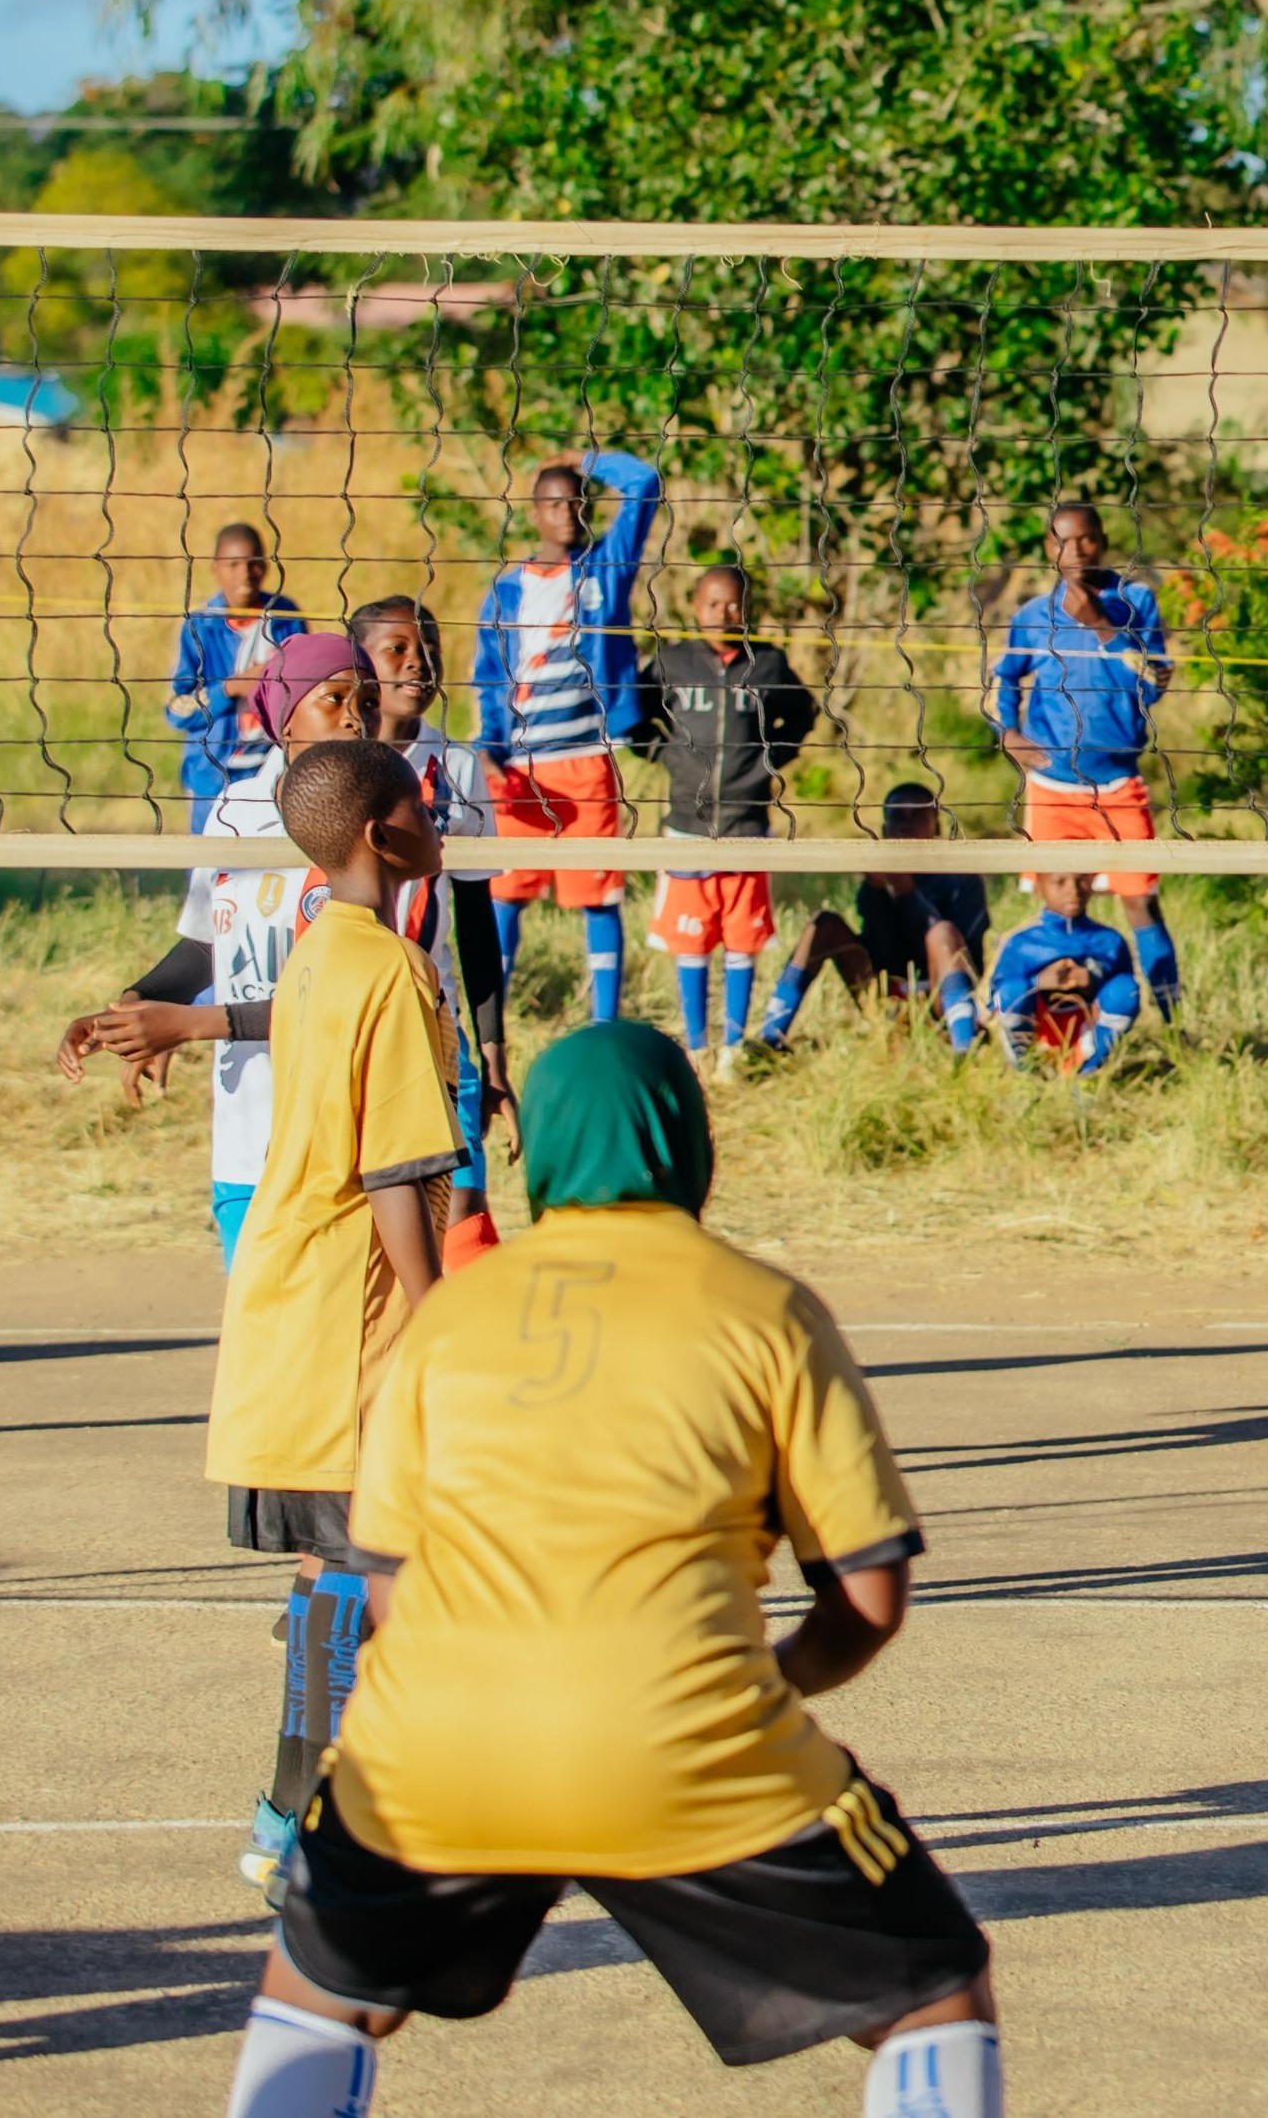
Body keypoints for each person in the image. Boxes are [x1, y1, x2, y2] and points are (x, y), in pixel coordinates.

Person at [223, 1023, 1000, 2118]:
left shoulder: (449, 1318)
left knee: (318, 1995)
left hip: (436, 1749)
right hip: (685, 1744)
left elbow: (388, 1585)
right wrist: (773, 1680)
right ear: (692, 1141)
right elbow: (869, 1598)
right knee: (933, 1995)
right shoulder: (767, 1310)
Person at [202, 738, 466, 1909]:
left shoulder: (320, 949)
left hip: (289, 1301)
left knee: (332, 1575)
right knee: (386, 1571)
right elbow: (395, 1170)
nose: (438, 816)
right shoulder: (392, 970)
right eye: (423, 804)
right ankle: (341, 1837)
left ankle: (285, 1823)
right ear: (382, 833)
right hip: (352, 1316)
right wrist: (440, 1318)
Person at [52, 637, 486, 1270]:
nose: (356, 717)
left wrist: (188, 1024)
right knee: (256, 1320)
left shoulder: (372, 833)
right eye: (334, 699)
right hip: (247, 1131)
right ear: (283, 720)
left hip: (341, 1140)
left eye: (367, 701)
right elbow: (208, 942)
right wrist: (134, 1007)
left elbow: (333, 1006)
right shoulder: (234, 811)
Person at [474, 446, 663, 1024]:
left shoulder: (605, 570)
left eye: (578, 501)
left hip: (586, 759)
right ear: (535, 512)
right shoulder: (506, 593)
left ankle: (605, 1022)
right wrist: (488, 748)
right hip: (522, 769)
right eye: (555, 504)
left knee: (598, 897)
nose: (569, 513)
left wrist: (586, 458)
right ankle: (492, 1019)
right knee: (506, 896)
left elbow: (644, 481)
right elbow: (489, 678)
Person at [353, 596, 513, 1257]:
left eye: (428, 649)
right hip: (356, 1023)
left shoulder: (459, 767)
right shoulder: (332, 766)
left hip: (435, 1022)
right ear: (359, 663)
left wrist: (495, 1054)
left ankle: (462, 1318)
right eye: (397, 649)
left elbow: (475, 920)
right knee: (372, 1221)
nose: (418, 662)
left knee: (462, 1210)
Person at [630, 563, 820, 1076]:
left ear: (747, 609)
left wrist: (767, 761)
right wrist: (664, 754)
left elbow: (803, 714)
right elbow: (633, 715)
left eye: (735, 603)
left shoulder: (768, 663)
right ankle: (697, 1046)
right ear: (696, 608)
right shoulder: (672, 661)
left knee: (742, 940)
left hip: (747, 823)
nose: (725, 613)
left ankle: (732, 1049)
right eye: (714, 603)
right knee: (691, 940)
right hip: (686, 823)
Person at [992, 501, 1180, 1016]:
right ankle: (1055, 1021)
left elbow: (1152, 683)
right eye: (1061, 541)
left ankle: (1173, 1022)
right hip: (1053, 788)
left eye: (1085, 539)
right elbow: (1003, 678)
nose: (1074, 551)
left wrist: (1100, 625)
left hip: (1117, 786)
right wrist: (1007, 731)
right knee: (1061, 907)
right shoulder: (1033, 616)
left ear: (1103, 541)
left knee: (1141, 903)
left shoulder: (1135, 601)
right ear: (1048, 549)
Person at [756, 783, 995, 1053]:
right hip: (887, 995)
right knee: (824, 924)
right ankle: (770, 1039)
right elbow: (883, 950)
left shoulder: (962, 877)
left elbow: (965, 956)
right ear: (884, 829)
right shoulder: (880, 875)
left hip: (942, 998)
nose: (907, 824)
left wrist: (907, 894)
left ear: (936, 825)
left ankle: (965, 1046)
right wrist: (878, 891)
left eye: (917, 814)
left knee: (942, 933)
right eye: (898, 816)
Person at [165, 521, 306, 830]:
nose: (245, 573)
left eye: (253, 563)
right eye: (233, 564)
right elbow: (177, 712)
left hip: (274, 771)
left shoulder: (286, 618)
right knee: (211, 856)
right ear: (216, 568)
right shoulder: (199, 626)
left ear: (265, 567)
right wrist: (232, 688)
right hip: (214, 775)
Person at [986, 870, 1143, 1077]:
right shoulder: (1021, 943)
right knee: (1012, 990)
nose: (1073, 890)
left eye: (1082, 880)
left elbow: (1125, 998)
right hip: (1039, 1032)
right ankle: (1026, 1068)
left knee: (1125, 989)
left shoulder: (1110, 941)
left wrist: (1092, 981)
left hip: (1086, 1033)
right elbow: (995, 1001)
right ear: (1038, 888)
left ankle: (1090, 1071)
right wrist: (1038, 982)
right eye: (1059, 882)